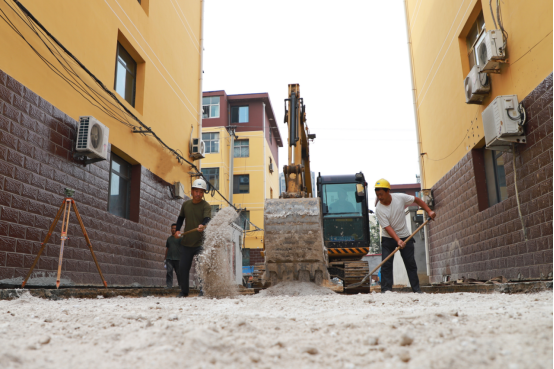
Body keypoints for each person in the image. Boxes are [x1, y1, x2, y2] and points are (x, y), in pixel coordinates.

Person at [374, 178, 436, 294]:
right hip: (388, 238)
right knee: (386, 264)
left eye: (381, 194)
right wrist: (397, 240)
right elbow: (387, 227)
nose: (380, 197)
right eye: (377, 195)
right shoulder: (379, 209)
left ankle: (416, 289)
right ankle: (386, 290)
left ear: (388, 192)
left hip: (405, 236)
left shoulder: (399, 198)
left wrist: (429, 211)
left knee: (410, 263)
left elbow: (417, 200)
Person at [174, 178, 212, 297]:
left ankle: (203, 290)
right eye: (196, 191)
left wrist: (203, 225)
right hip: (186, 243)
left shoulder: (206, 206)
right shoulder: (186, 204)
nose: (198, 194)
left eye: (201, 192)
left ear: (203, 193)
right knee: (183, 268)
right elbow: (180, 218)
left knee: (202, 267)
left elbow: (207, 219)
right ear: (192, 191)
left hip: (201, 243)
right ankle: (184, 291)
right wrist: (177, 230)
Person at [164, 224, 181, 288]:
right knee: (169, 272)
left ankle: (181, 286)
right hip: (169, 258)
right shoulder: (169, 239)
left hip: (178, 259)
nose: (173, 229)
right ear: (171, 229)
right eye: (172, 228)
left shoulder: (180, 238)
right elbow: (167, 249)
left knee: (179, 273)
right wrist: (165, 259)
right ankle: (169, 286)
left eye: (175, 228)